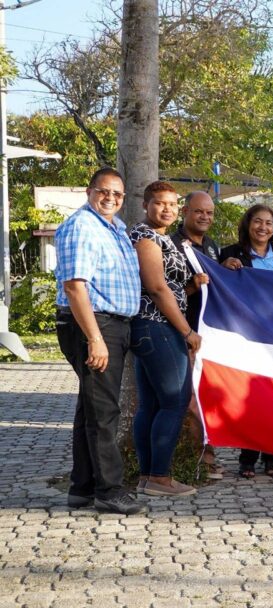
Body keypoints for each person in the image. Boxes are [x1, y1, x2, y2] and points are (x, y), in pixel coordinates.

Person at [53, 167, 146, 515]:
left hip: (111, 324)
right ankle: (109, 490)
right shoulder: (83, 226)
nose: (110, 198)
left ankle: (82, 488)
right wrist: (95, 338)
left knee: (90, 410)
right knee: (105, 413)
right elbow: (76, 287)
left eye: (117, 194)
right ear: (89, 191)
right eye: (103, 191)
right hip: (94, 324)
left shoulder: (115, 228)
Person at [129, 181, 208, 497]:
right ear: (146, 205)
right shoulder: (145, 236)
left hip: (156, 326)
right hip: (156, 327)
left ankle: (149, 477)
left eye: (173, 204)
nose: (167, 209)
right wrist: (187, 332)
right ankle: (160, 477)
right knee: (175, 402)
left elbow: (171, 288)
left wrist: (192, 286)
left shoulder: (164, 239)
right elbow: (157, 288)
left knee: (151, 404)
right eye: (160, 203)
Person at [219, 204, 273, 478]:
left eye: (269, 223)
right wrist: (224, 269)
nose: (263, 227)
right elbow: (218, 287)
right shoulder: (230, 254)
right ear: (248, 224)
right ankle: (247, 457)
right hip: (247, 337)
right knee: (250, 398)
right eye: (258, 222)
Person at [171, 191, 224, 479]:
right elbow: (163, 292)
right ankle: (202, 462)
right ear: (185, 211)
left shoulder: (212, 246)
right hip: (184, 334)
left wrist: (228, 270)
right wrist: (192, 287)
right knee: (191, 401)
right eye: (199, 211)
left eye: (209, 213)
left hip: (211, 335)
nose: (205, 217)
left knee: (208, 398)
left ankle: (203, 455)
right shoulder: (174, 246)